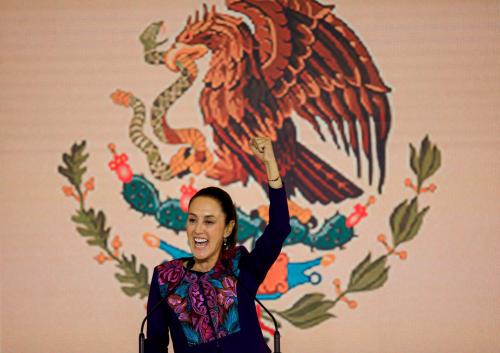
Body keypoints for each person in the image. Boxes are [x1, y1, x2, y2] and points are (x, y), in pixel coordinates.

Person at [145, 137, 291, 353]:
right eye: (193, 220)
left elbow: (278, 228)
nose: (198, 229)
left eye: (209, 221)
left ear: (227, 228)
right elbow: (155, 345)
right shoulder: (166, 279)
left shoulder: (240, 266)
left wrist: (270, 165)